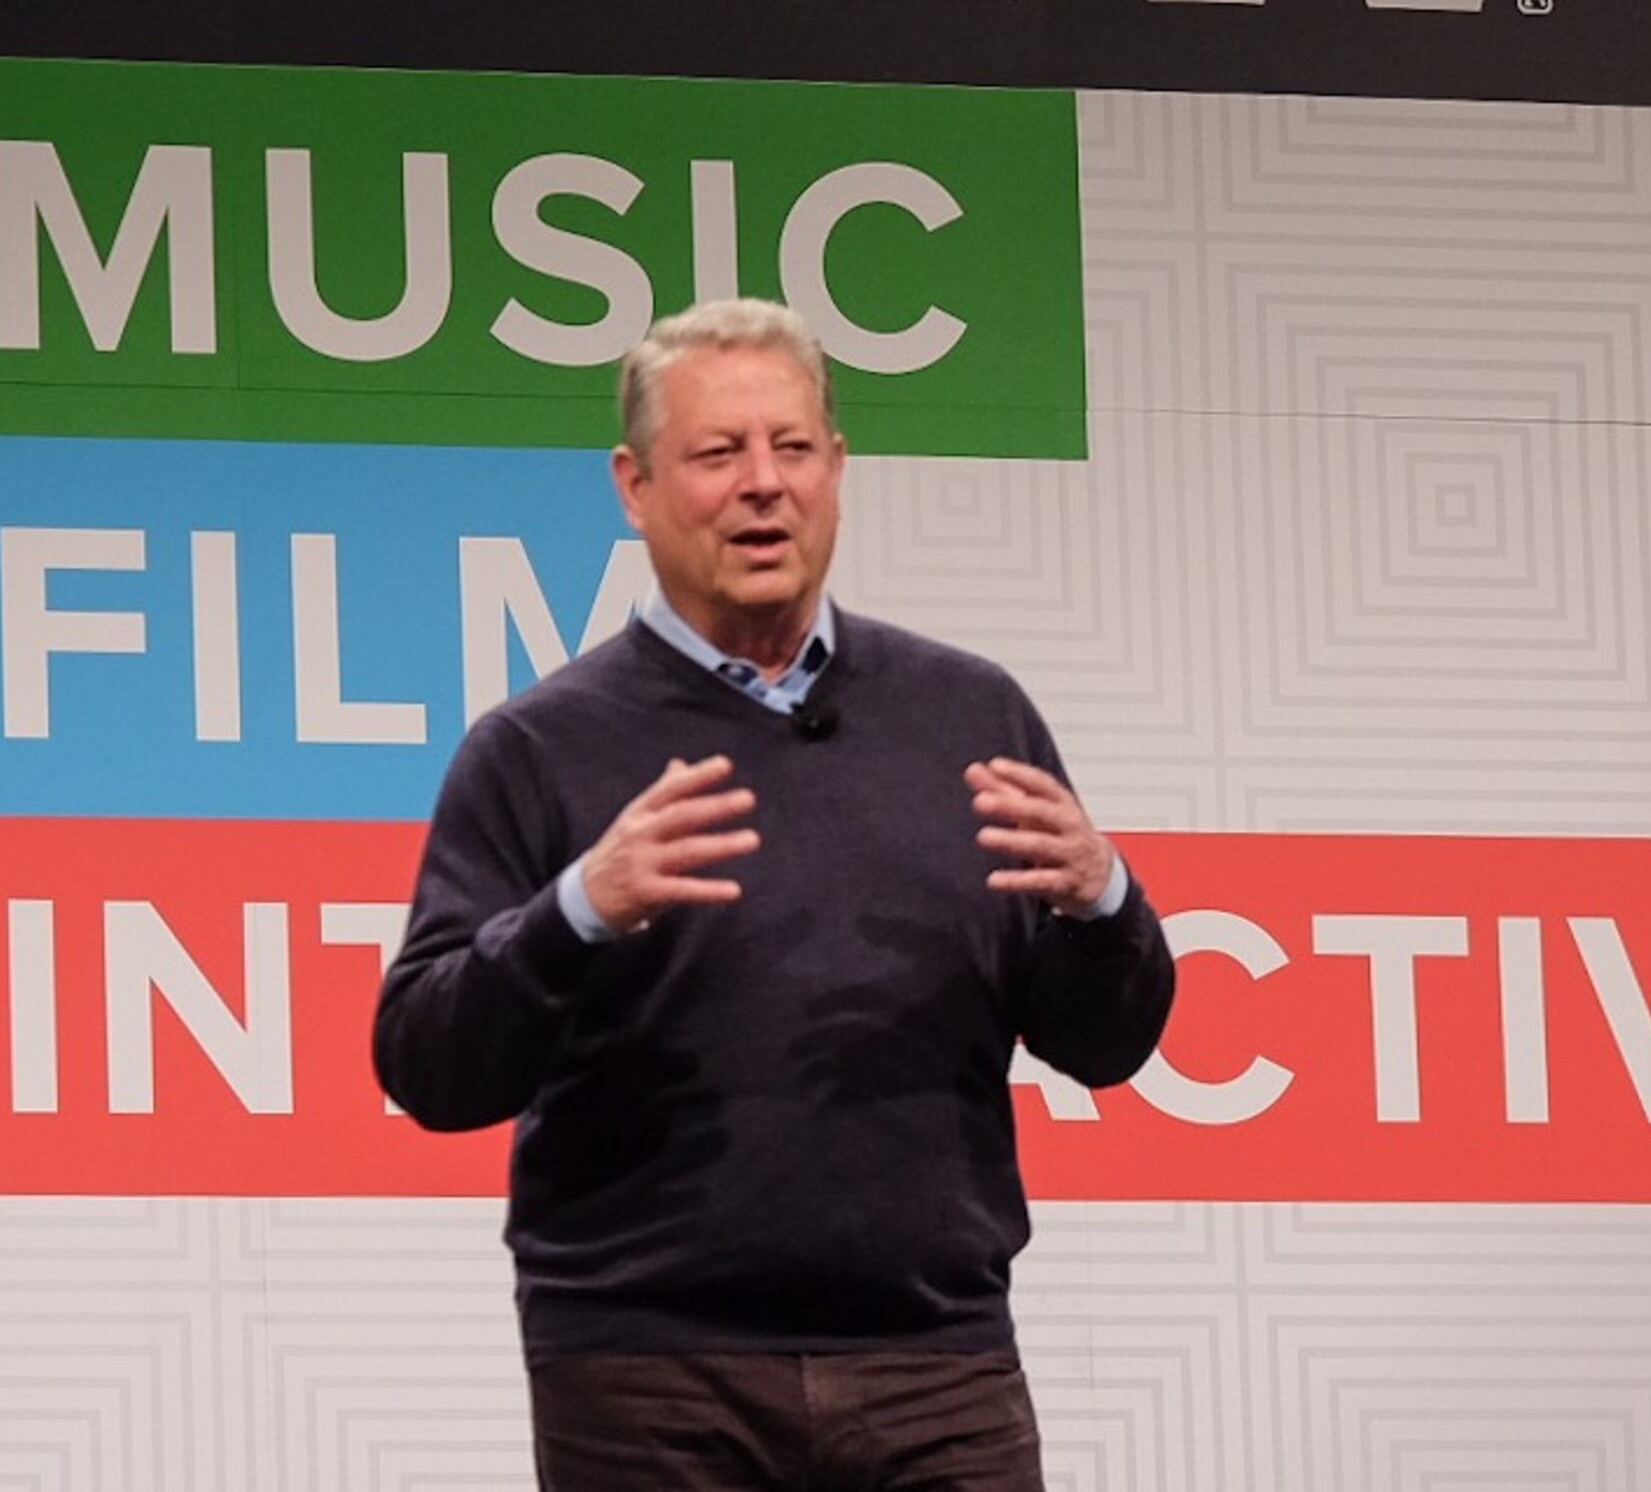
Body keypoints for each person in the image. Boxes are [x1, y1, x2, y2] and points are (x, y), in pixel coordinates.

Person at [371, 297, 1175, 1492]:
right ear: (635, 485)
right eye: (718, 454)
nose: (763, 485)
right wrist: (577, 910)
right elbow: (428, 1064)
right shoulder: (542, 749)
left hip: (935, 1366)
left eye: (793, 448)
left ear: (838, 469)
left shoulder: (969, 715)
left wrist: (1105, 904)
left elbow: (1103, 1044)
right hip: (650, 1374)